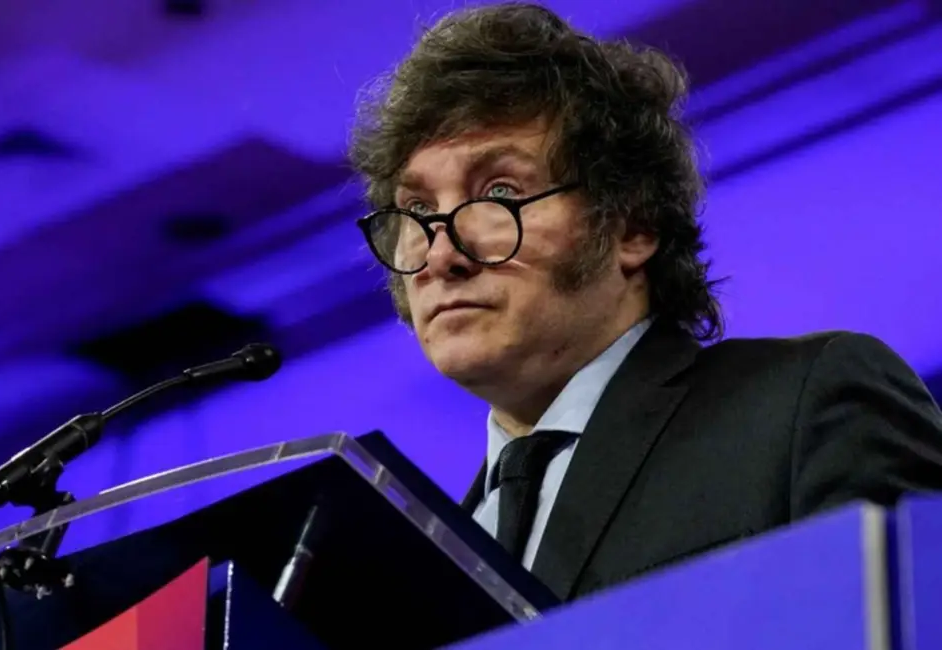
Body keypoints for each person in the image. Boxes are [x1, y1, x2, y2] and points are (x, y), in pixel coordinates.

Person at [347, 2, 942, 603]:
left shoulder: (806, 407)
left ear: (633, 226)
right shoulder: (434, 564)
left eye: (499, 192)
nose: (441, 253)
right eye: (418, 209)